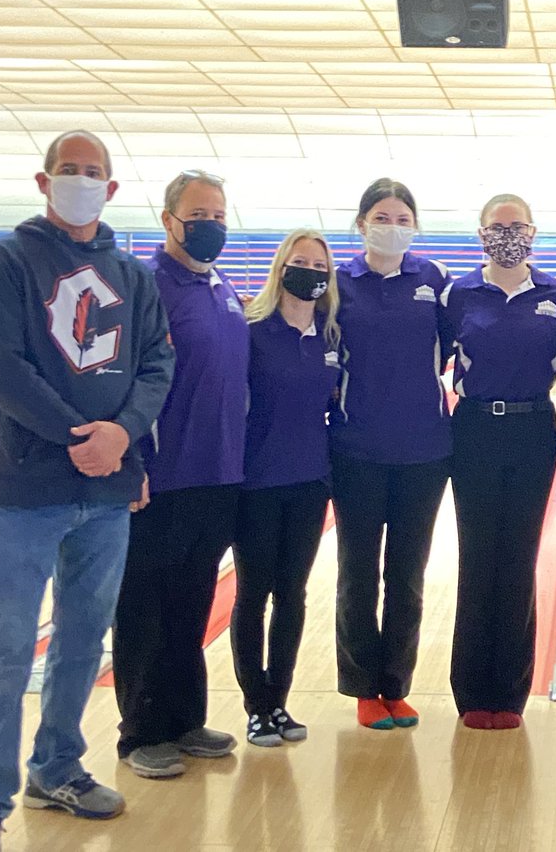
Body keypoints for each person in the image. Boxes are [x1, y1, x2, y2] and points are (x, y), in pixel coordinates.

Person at [0, 130, 174, 852]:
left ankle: (58, 767)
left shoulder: (133, 275)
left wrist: (122, 436)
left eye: (94, 172)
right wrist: (84, 436)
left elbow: (156, 365)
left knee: (83, 639)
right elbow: (2, 367)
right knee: (8, 646)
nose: (81, 180)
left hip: (108, 489)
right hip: (28, 484)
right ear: (44, 181)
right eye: (69, 170)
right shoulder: (7, 260)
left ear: (112, 190)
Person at [112, 169, 247, 778]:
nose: (211, 225)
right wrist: (132, 459)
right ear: (169, 220)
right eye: (199, 215)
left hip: (217, 474)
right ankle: (140, 732)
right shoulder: (145, 286)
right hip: (160, 477)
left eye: (219, 215)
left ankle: (185, 718)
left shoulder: (221, 285)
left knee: (192, 602)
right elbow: (122, 379)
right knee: (145, 604)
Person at [438, 194, 556, 730]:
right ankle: (472, 692)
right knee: (478, 558)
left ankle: (510, 694)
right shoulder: (459, 294)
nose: (508, 234)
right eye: (498, 226)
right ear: (481, 234)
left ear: (533, 233)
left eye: (517, 226)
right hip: (473, 428)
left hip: (534, 428)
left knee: (518, 558)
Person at [330, 178, 451, 730]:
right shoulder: (338, 283)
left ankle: (395, 685)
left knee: (407, 575)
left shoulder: (433, 280)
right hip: (356, 449)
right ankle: (361, 688)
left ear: (415, 227)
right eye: (382, 216)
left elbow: (452, 348)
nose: (393, 226)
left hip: (425, 451)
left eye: (403, 218)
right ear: (361, 224)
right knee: (358, 572)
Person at [232, 229, 341, 747]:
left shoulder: (331, 335)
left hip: (309, 481)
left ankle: (280, 700)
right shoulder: (252, 330)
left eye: (319, 265)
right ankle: (256, 706)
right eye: (301, 262)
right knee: (253, 593)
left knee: (292, 595)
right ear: (280, 268)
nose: (311, 272)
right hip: (256, 483)